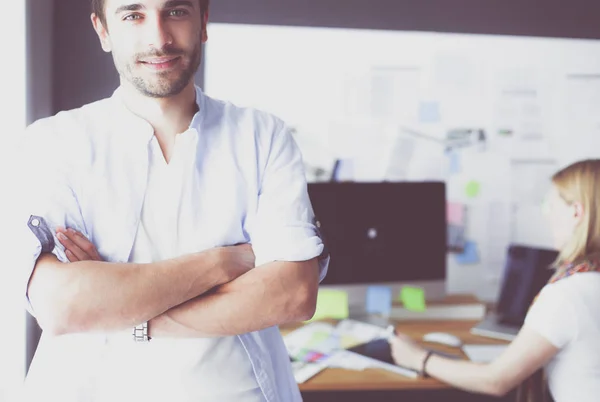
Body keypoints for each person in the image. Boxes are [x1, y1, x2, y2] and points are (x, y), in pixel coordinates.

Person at [12, 0, 328, 401]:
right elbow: (62, 305)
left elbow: (293, 294)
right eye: (133, 16)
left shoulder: (262, 137)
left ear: (204, 22)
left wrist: (120, 308)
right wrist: (227, 261)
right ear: (103, 31)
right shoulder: (52, 143)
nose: (159, 39)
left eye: (176, 12)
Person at [389, 159, 600, 402]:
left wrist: (417, 358)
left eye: (550, 205)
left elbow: (496, 380)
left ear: (576, 212)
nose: (547, 215)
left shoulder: (569, 295)